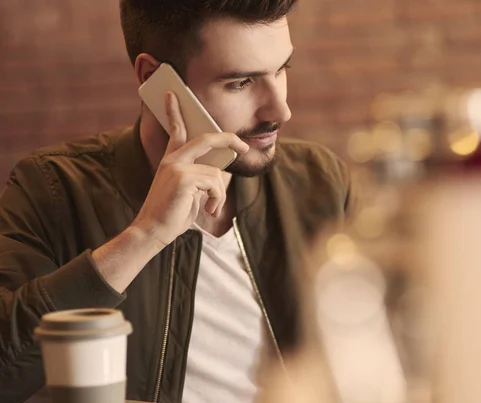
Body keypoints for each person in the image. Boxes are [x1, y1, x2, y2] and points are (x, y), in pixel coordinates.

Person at [0, 1, 354, 402]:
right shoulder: (54, 188)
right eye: (240, 83)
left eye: (281, 70)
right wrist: (144, 236)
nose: (281, 110)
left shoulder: (318, 181)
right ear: (154, 79)